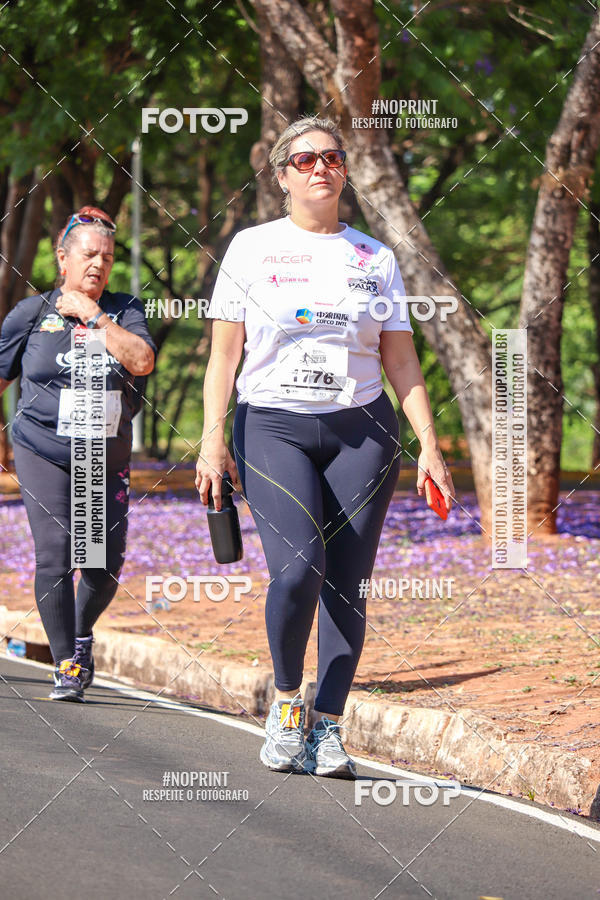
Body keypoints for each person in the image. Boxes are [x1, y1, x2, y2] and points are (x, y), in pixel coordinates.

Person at [196, 116, 455, 778]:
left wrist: (429, 442)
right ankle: (286, 702)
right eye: (304, 159)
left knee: (347, 583)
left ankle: (329, 726)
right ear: (281, 175)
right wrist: (210, 440)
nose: (320, 168)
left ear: (344, 170)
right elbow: (224, 358)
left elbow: (402, 360)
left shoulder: (376, 257)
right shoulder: (252, 249)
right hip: (273, 426)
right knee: (297, 569)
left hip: (362, 433)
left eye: (332, 158)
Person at [0, 206, 156, 701]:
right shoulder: (30, 314)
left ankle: (82, 634)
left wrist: (95, 317)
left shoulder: (125, 309)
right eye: (89, 255)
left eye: (107, 258)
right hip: (41, 447)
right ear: (62, 257)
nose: (98, 265)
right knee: (55, 553)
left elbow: (142, 361)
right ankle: (66, 663)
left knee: (101, 564)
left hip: (102, 453)